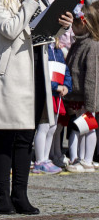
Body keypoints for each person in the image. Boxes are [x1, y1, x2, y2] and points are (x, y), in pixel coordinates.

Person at [0, 0, 73, 215]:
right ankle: (2, 197)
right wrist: (31, 1)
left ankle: (20, 195)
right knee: (5, 135)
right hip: (10, 73)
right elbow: (10, 29)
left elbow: (38, 34)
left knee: (26, 136)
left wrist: (59, 25)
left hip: (35, 69)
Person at [63, 4, 99, 170]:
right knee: (77, 128)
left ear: (85, 24)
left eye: (75, 24)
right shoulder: (77, 44)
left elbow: (92, 77)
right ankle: (76, 158)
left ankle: (87, 159)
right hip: (76, 96)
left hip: (86, 97)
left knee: (88, 129)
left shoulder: (92, 46)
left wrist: (91, 103)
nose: (72, 28)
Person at [32, 39, 70, 174]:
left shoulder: (58, 51)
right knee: (44, 126)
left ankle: (46, 158)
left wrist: (66, 85)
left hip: (57, 95)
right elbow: (42, 75)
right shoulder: (42, 50)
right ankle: (39, 160)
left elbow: (65, 70)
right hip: (46, 94)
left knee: (52, 127)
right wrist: (56, 86)